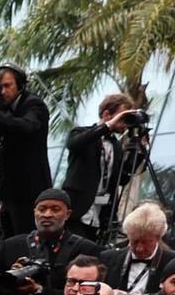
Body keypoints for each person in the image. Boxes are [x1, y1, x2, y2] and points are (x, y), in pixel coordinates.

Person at [0, 63, 53, 237]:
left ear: (20, 86)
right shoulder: (1, 106)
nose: (2, 91)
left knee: (25, 235)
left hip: (30, 186)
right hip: (8, 186)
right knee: (7, 234)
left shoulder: (34, 104)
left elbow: (25, 127)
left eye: (8, 86)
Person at [63, 92, 149, 237]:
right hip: (77, 210)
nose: (124, 124)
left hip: (101, 214)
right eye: (122, 117)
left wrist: (138, 150)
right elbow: (74, 144)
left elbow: (122, 179)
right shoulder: (81, 132)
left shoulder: (116, 145)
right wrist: (108, 126)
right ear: (107, 114)